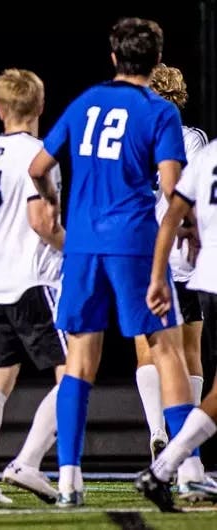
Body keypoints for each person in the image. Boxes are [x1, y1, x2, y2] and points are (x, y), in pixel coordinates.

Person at [28, 18, 192, 508]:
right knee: (167, 350)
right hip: (133, 242)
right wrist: (190, 226)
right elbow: (170, 188)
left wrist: (53, 200)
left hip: (81, 245)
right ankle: (186, 471)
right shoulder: (159, 112)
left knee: (79, 360)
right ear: (155, 59)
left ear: (114, 57)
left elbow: (39, 168)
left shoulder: (84, 102)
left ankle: (68, 480)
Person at [0, 69, 66, 505]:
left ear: (0, 110)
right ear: (39, 107)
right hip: (37, 281)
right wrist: (76, 250)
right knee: (74, 373)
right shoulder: (40, 155)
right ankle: (29, 462)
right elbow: (42, 224)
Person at [133, 63, 210, 498]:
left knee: (147, 347)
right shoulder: (192, 138)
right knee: (188, 350)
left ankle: (156, 430)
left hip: (140, 251)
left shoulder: (133, 135)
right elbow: (190, 191)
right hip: (182, 252)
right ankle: (182, 448)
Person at [138, 137, 217, 511]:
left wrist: (155, 272)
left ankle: (165, 453)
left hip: (179, 262)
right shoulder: (196, 142)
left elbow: (173, 210)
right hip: (195, 266)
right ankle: (180, 464)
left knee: (155, 352)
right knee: (187, 357)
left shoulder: (210, 151)